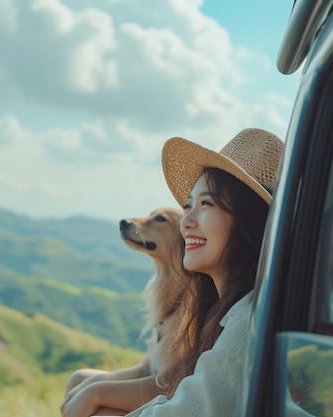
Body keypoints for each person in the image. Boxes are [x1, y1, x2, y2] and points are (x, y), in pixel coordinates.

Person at [123, 127, 284, 417]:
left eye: (206, 204)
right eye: (188, 206)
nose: (186, 222)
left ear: (249, 219)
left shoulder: (248, 324)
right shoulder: (225, 313)